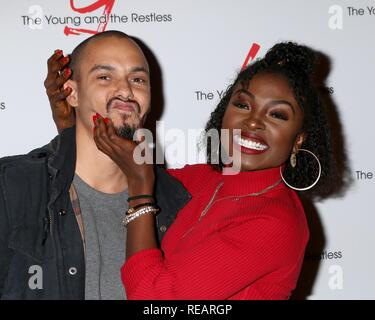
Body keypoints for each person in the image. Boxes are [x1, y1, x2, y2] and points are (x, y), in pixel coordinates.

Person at [91, 42, 337, 299]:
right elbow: (116, 182)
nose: (253, 121)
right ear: (224, 113)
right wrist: (70, 129)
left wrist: (141, 187)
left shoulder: (277, 223)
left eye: (277, 115)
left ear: (299, 139)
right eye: (243, 105)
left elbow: (153, 298)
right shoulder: (203, 178)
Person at [0, 30, 190, 300]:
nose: (125, 90)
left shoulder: (174, 201)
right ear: (72, 94)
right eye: (104, 77)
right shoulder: (12, 187)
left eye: (137, 79)